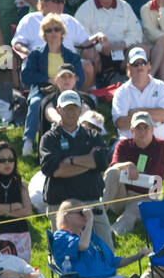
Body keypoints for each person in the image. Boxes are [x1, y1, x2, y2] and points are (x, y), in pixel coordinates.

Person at [38, 91, 114, 250]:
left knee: (106, 249)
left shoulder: (93, 135)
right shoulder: (49, 138)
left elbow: (102, 161)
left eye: (74, 108)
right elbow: (53, 170)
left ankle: (107, 275)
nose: (71, 112)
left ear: (81, 110)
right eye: (67, 108)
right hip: (60, 205)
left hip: (91, 200)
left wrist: (71, 161)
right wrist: (89, 162)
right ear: (58, 110)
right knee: (64, 252)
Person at [103, 111, 164, 236]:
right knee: (112, 172)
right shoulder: (123, 145)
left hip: (145, 197)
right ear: (132, 131)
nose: (142, 132)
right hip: (121, 194)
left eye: (146, 127)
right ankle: (100, 212)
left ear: (152, 129)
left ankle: (113, 234)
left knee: (130, 215)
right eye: (138, 128)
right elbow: (113, 167)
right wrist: (127, 165)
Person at [20, 14, 85, 156]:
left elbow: (81, 77)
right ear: (44, 34)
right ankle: (29, 141)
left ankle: (84, 137)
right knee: (36, 103)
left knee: (83, 104)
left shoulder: (72, 55)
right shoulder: (36, 54)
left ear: (62, 33)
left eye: (56, 29)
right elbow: (25, 76)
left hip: (66, 91)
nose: (53, 33)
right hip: (43, 90)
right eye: (49, 30)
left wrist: (66, 85)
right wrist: (48, 80)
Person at [0, 139, 34, 261]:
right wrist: (14, 206)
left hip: (21, 235)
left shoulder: (21, 184)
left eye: (11, 159)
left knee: (22, 275)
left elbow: (27, 211)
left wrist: (4, 212)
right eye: (2, 160)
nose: (7, 163)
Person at [111, 46, 164, 140]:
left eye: (143, 63)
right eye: (136, 64)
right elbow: (120, 123)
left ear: (148, 65)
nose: (140, 67)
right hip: (129, 146)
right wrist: (155, 116)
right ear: (129, 67)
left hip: (158, 145)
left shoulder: (161, 86)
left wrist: (135, 112)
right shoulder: (121, 92)